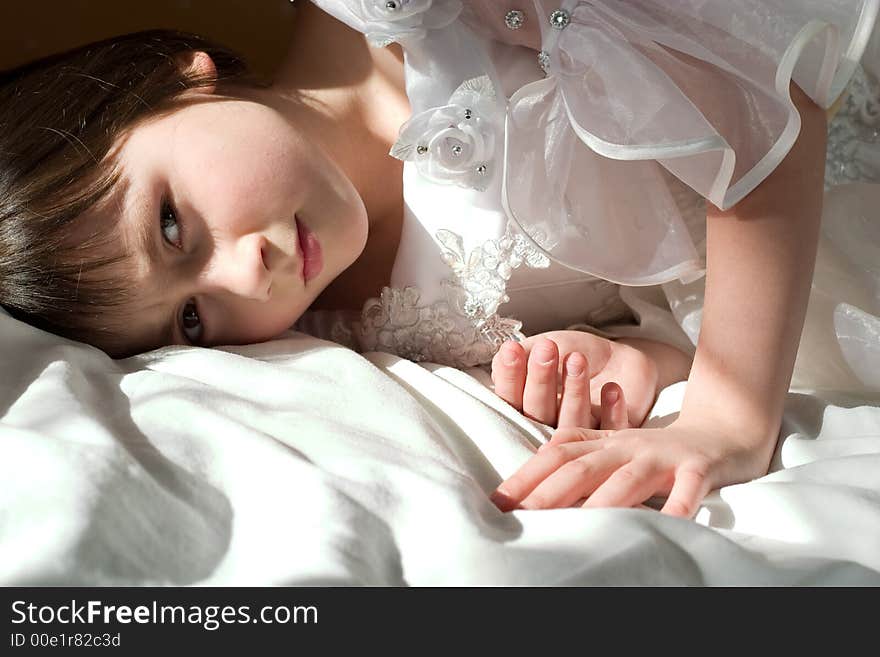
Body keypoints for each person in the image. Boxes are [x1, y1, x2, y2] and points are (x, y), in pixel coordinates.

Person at [1, 1, 877, 518]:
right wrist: (632, 360)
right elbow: (671, 296)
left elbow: (755, 83)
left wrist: (726, 414)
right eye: (190, 318)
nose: (244, 277)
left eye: (169, 226)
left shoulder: (406, 20)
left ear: (175, 78)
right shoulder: (360, 324)